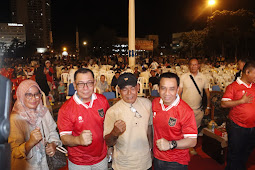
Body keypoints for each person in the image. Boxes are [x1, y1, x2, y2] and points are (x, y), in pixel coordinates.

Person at [57, 68, 110, 169]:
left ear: (94, 83)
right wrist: (78, 140)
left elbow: (107, 126)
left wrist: (110, 147)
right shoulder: (66, 109)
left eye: (89, 83)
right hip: (79, 161)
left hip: (101, 158)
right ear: (74, 85)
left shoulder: (102, 100)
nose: (85, 88)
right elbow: (64, 139)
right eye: (81, 84)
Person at [8, 80, 62, 170]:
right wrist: (30, 142)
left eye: (37, 94)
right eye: (28, 95)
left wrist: (53, 143)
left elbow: (52, 131)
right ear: (21, 96)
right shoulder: (15, 118)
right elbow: (14, 152)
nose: (34, 98)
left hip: (44, 164)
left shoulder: (43, 112)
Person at [104, 73, 153, 170]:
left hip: (145, 162)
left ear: (138, 87)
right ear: (118, 90)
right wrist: (114, 132)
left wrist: (151, 150)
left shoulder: (147, 104)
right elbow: (108, 141)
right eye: (124, 89)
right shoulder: (112, 111)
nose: (129, 93)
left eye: (132, 88)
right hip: (123, 165)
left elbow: (149, 128)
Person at [152, 72, 197, 170]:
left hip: (176, 161)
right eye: (163, 88)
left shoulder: (186, 111)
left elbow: (192, 141)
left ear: (177, 90)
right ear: (158, 89)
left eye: (172, 89)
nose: (167, 93)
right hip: (156, 157)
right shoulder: (155, 103)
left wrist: (170, 144)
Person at [221, 61, 255, 170]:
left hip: (252, 126)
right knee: (234, 154)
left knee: (246, 152)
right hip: (237, 126)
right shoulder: (233, 86)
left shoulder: (254, 86)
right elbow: (224, 103)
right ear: (247, 72)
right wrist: (241, 101)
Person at [178, 58, 210, 154]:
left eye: (195, 64)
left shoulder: (204, 77)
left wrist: (208, 107)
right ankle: (183, 146)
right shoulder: (183, 77)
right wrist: (178, 105)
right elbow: (179, 92)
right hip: (185, 109)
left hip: (198, 109)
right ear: (189, 66)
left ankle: (191, 146)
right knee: (183, 128)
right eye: (192, 64)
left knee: (194, 130)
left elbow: (207, 94)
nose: (193, 66)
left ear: (198, 65)